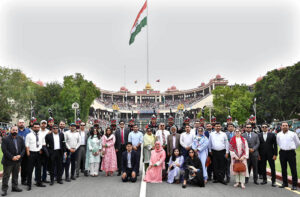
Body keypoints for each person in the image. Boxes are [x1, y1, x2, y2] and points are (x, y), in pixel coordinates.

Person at [1, 126, 25, 196]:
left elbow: (23, 148)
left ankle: (14, 187)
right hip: (8, 161)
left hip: (17, 160)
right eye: (13, 130)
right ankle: (4, 190)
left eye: (16, 130)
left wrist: (20, 155)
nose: (15, 131)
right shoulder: (5, 139)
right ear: (10, 130)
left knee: (15, 175)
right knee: (6, 176)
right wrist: (12, 157)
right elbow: (4, 150)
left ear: (17, 131)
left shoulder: (20, 138)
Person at [277, 122, 300, 190]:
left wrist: (292, 148)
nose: (285, 127)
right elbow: (278, 143)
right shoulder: (278, 135)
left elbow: (298, 143)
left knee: (293, 169)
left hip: (291, 153)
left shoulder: (293, 134)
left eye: (286, 125)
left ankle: (294, 185)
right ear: (281, 127)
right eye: (283, 125)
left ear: (288, 127)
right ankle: (285, 183)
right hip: (282, 153)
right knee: (283, 168)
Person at [25, 122, 46, 191]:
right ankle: (29, 184)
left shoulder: (41, 135)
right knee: (30, 170)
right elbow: (27, 145)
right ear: (33, 128)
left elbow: (43, 143)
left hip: (38, 154)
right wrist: (28, 153)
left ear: (39, 127)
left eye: (38, 127)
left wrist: (40, 149)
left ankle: (39, 182)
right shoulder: (29, 135)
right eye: (35, 127)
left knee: (39, 169)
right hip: (31, 154)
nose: (37, 128)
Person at [17, 119, 30, 186]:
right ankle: (15, 182)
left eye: (22, 122)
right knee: (16, 167)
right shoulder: (15, 130)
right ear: (18, 123)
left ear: (24, 123)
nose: (21, 124)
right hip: (17, 152)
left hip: (25, 151)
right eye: (20, 122)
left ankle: (24, 180)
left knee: (25, 167)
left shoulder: (28, 131)